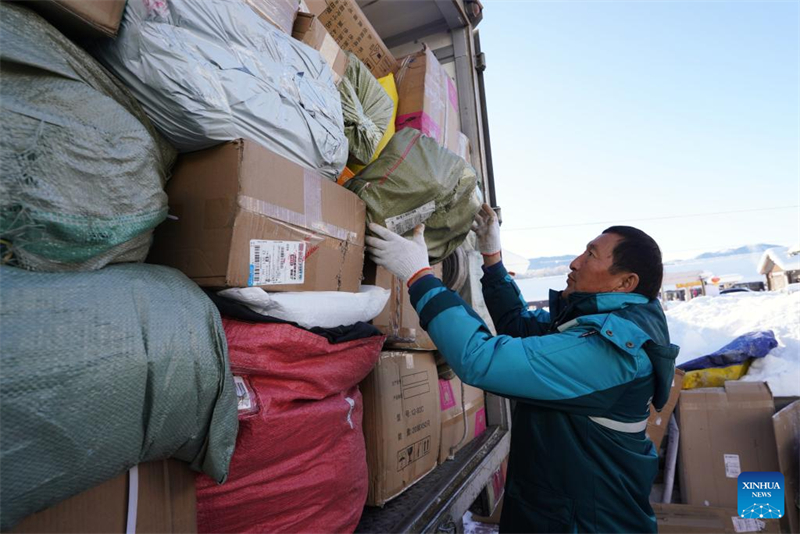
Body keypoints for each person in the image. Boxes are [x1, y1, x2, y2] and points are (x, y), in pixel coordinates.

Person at [365, 204, 680, 534]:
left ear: (625, 283)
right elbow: (520, 326)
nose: (575, 262)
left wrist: (419, 277)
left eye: (590, 255)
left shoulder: (610, 350)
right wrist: (492, 259)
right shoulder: (598, 325)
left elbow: (480, 359)